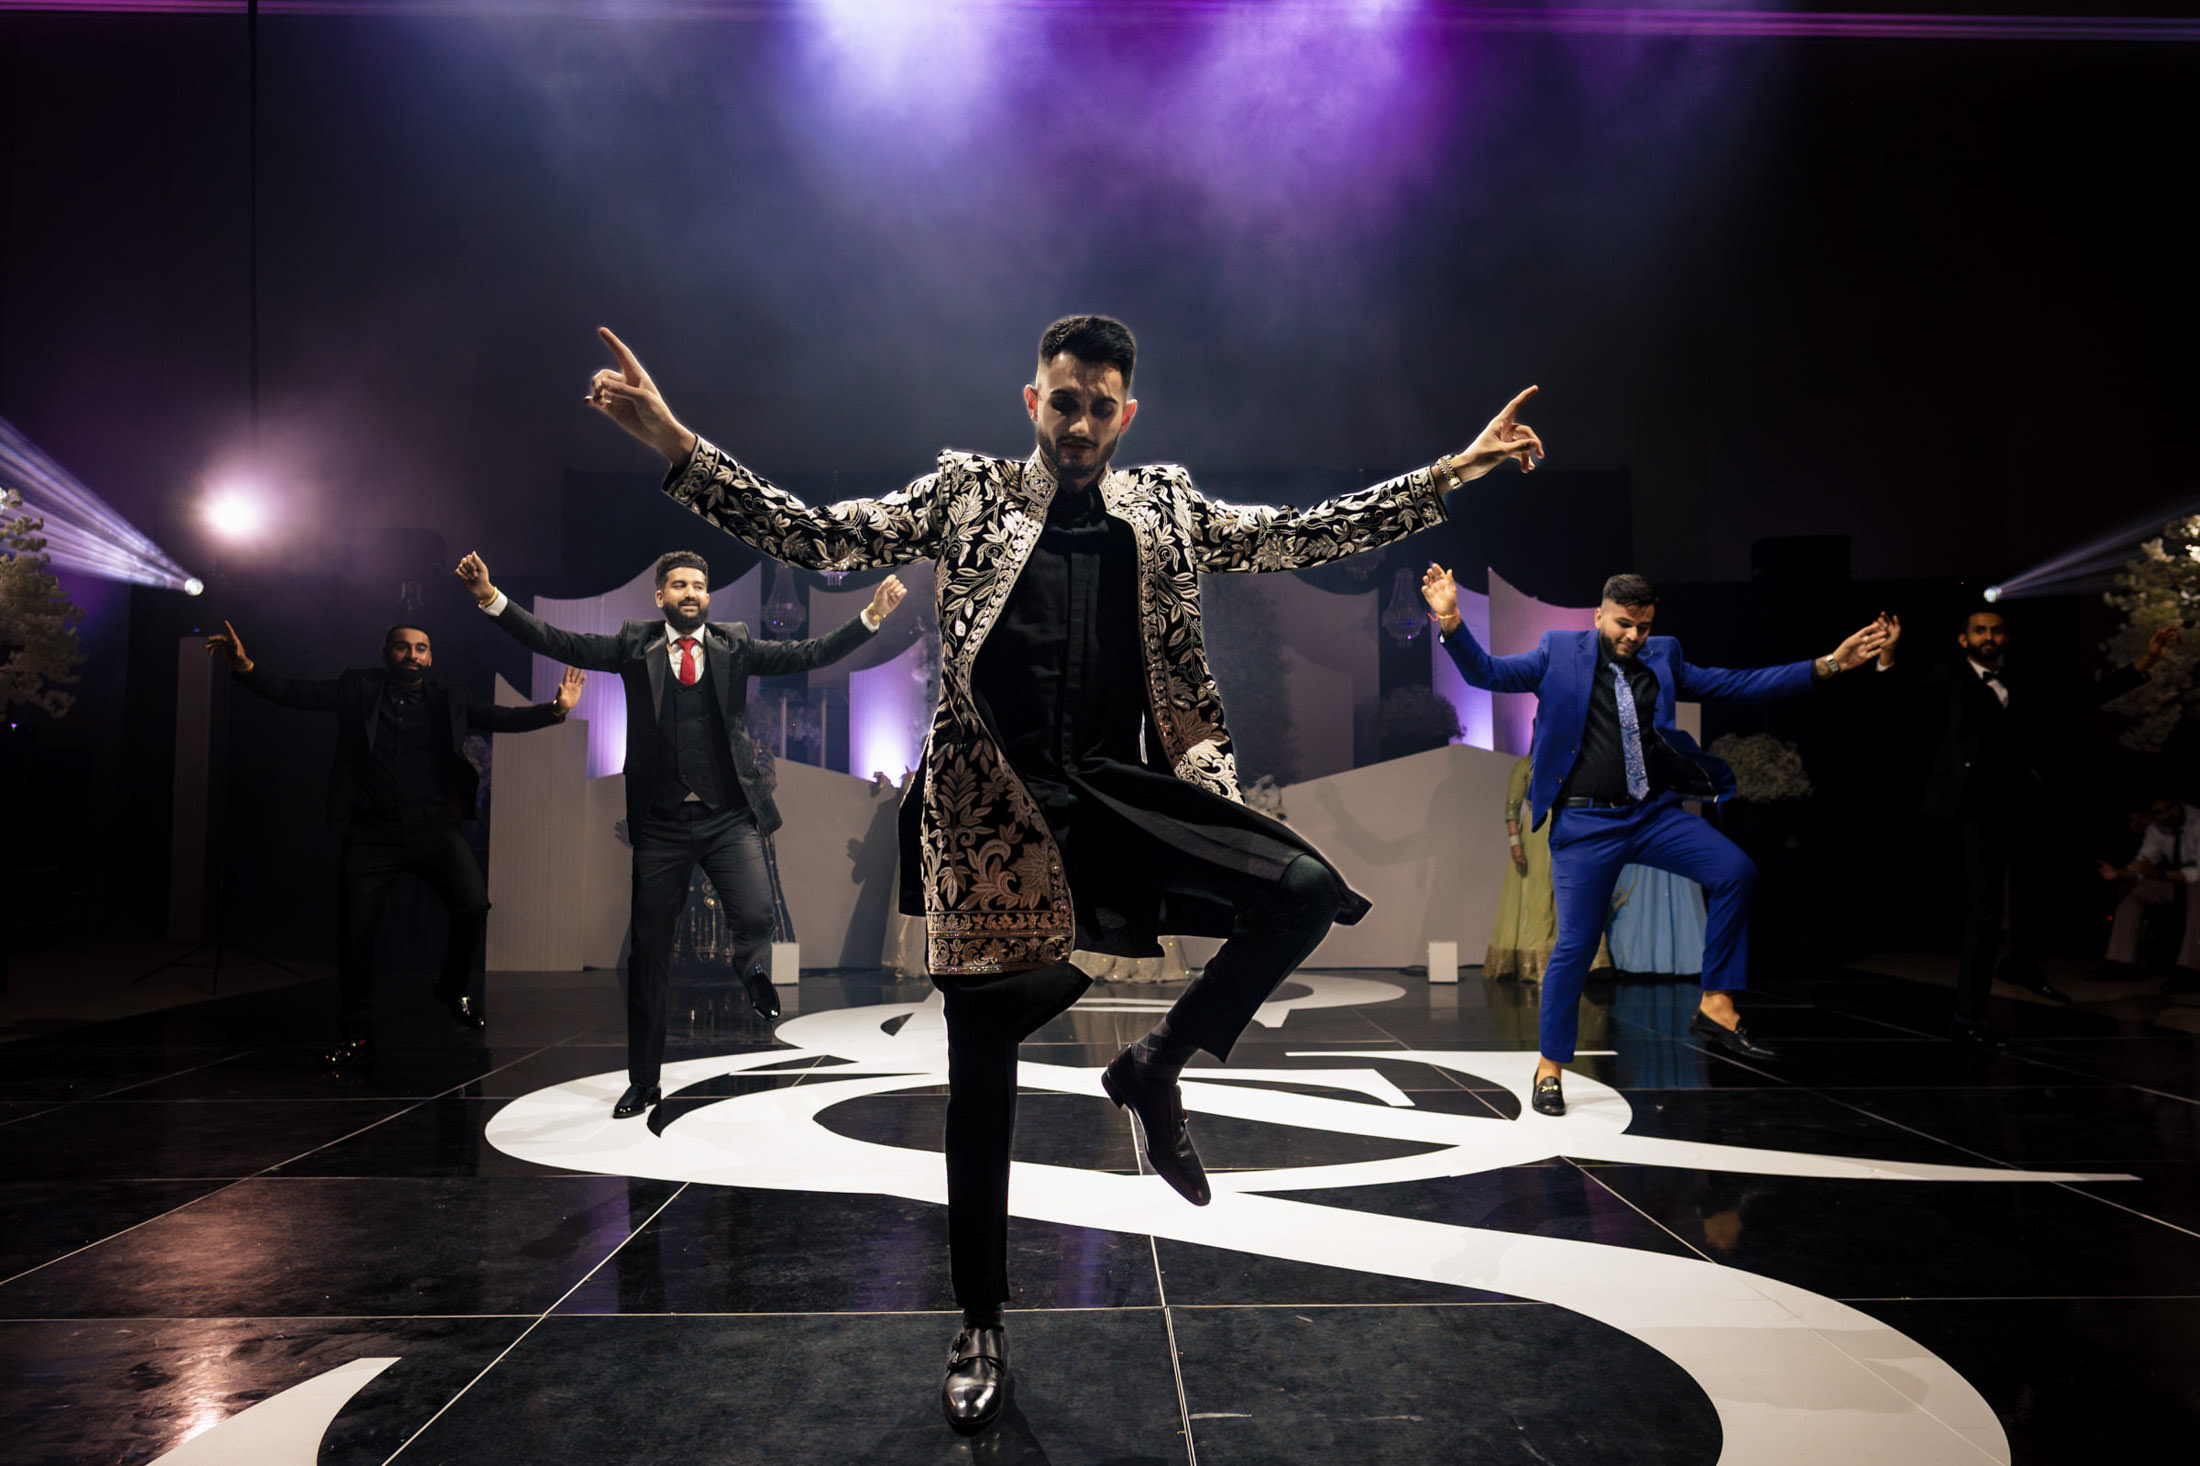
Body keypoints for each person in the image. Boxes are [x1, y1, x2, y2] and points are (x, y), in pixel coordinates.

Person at [579, 315, 1541, 1433]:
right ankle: (980, 1318)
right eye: (1061, 400)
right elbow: (817, 534)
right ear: (1029, 400)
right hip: (988, 808)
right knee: (979, 1072)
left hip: (1118, 788)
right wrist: (676, 444)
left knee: (1305, 890)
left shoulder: (1166, 506)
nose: (1078, 422)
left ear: (1125, 417)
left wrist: (1450, 473)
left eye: (1099, 406)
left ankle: (1153, 1065)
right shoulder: (965, 493)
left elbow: (1302, 535)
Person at [454, 549, 906, 1119]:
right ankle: (644, 1080)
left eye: (699, 585)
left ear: (708, 596)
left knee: (757, 915)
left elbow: (807, 652)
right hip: (662, 824)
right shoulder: (631, 643)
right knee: (649, 957)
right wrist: (490, 599)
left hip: (726, 817)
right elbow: (557, 641)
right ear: (659, 596)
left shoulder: (734, 643)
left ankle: (750, 967)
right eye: (679, 585)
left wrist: (871, 615)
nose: (690, 593)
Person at [1422, 567, 1888, 1115]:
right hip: (1586, 823)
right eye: (1624, 624)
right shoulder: (1557, 652)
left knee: (1735, 871)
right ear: (1599, 616)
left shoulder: (1664, 655)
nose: (1633, 637)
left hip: (1652, 815)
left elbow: (1737, 684)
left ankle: (1715, 1001)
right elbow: (1486, 673)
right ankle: (1550, 1067)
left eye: (1643, 627)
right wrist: (1451, 619)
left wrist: (1830, 664)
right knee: (1574, 945)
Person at [203, 619, 584, 1065]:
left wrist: (555, 709)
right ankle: (356, 1032)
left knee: (473, 905)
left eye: (421, 648)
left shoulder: (449, 698)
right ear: (386, 652)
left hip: (434, 827)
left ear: (430, 657)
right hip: (372, 832)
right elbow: (295, 693)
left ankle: (452, 987)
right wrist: (245, 666)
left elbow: (501, 718)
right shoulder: (357, 688)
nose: (412, 654)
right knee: (356, 932)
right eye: (403, 647)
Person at [1874, 611, 2178, 1043]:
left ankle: (2021, 963)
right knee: (1985, 911)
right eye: (1980, 630)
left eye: (1995, 630)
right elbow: (1897, 695)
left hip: (2023, 806)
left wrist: (2147, 662)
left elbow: (2085, 696)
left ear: (2006, 638)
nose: (1989, 637)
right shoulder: (1950, 678)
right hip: (1973, 811)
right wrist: (1889, 650)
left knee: (2041, 888)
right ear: (1964, 639)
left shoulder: (2024, 680)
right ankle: (1968, 1016)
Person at [1486, 753, 1613, 981]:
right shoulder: (1525, 765)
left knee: (1576, 896)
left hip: (1571, 828)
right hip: (1539, 833)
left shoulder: (1571, 759)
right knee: (1539, 897)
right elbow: (1512, 807)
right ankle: (1536, 964)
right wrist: (1515, 843)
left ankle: (1585, 960)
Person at [2099, 796, 2200, 990]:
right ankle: (2123, 963)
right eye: (2158, 812)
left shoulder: (2197, 822)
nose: (2165, 815)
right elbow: (2143, 863)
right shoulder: (2157, 829)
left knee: (2198, 887)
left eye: (2169, 808)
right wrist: (2119, 873)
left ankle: (2190, 968)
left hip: (2196, 887)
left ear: (2179, 803)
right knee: (2133, 887)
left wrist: (2159, 874)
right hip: (2180, 888)